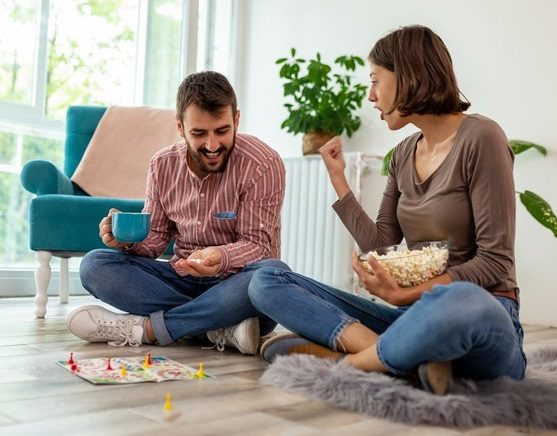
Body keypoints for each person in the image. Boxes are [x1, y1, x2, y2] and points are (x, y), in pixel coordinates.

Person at [248, 25, 526, 394]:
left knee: (458, 300)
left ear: (408, 75)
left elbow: (495, 261)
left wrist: (406, 294)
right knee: (267, 280)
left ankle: (354, 362)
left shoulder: (482, 138)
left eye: (376, 80)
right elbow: (381, 243)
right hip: (413, 317)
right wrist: (338, 179)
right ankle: (410, 361)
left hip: (483, 318)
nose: (371, 95)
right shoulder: (403, 154)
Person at [67, 71, 288, 355]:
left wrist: (219, 257)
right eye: (199, 133)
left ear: (236, 120)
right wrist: (125, 241)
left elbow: (259, 247)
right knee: (95, 265)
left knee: (273, 274)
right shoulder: (162, 165)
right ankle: (217, 328)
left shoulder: (263, 163)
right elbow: (155, 239)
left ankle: (145, 329)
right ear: (180, 127)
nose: (211, 145)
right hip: (180, 280)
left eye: (222, 131)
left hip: (236, 287)